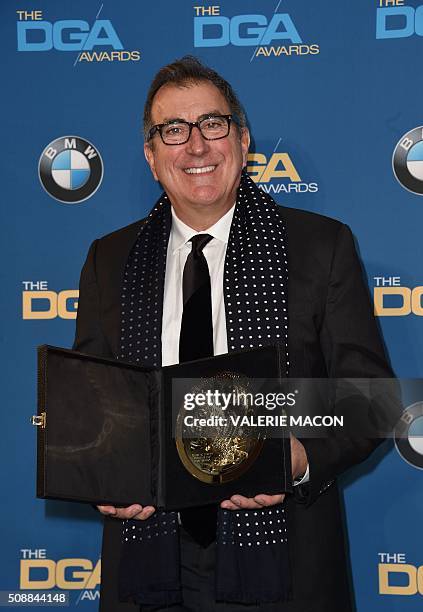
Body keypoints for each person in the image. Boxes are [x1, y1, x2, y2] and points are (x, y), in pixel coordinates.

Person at [73, 56, 393, 611]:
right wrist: (102, 472)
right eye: (173, 130)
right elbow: (91, 405)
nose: (195, 146)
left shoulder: (321, 247)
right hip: (147, 558)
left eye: (212, 125)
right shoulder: (111, 259)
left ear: (242, 142)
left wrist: (297, 456)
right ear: (151, 157)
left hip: (286, 555)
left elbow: (370, 399)